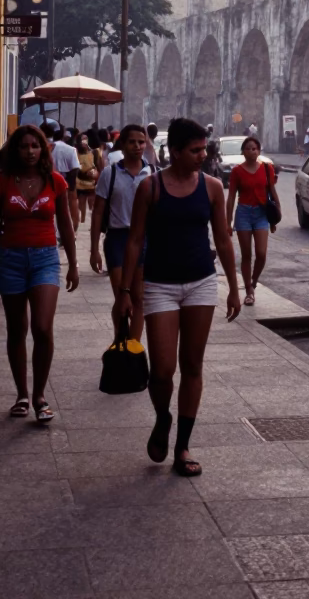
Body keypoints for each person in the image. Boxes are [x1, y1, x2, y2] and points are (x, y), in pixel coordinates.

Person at [114, 117, 241, 477]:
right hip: (159, 286)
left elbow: (223, 240)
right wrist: (125, 291)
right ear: (175, 151)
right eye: (195, 150)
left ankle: (183, 445)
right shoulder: (151, 188)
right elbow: (135, 240)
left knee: (193, 366)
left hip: (201, 282)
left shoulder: (213, 187)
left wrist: (234, 287)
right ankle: (163, 417)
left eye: (204, 149)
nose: (202, 155)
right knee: (163, 369)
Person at [0, 125, 78, 422]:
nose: (31, 151)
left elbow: (67, 225)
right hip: (10, 259)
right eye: (24, 146)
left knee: (43, 328)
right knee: (16, 329)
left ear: (43, 149)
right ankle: (22, 394)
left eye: (36, 146)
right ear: (15, 150)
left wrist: (73, 264)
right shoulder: (1, 183)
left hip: (46, 259)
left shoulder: (55, 181)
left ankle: (40, 395)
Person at [90, 124, 154, 340]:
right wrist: (94, 250)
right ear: (123, 145)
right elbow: (98, 212)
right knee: (121, 295)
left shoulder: (151, 173)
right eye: (132, 142)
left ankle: (134, 347)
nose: (137, 146)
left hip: (144, 238)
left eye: (141, 142)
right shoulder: (110, 173)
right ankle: (120, 340)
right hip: (118, 239)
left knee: (139, 298)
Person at [226, 136, 281, 305]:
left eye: (255, 148)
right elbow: (230, 197)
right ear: (243, 152)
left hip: (261, 214)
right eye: (248, 148)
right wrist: (228, 222)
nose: (252, 151)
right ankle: (249, 290)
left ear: (259, 151)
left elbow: (272, 192)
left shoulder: (267, 169)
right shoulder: (237, 171)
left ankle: (253, 282)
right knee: (246, 255)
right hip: (243, 213)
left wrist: (275, 218)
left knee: (262, 255)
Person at [75, 130, 100, 223]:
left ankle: (91, 224)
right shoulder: (76, 152)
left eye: (85, 139)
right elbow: (75, 168)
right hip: (80, 183)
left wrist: (94, 172)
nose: (84, 142)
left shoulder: (94, 152)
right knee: (81, 205)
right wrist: (83, 172)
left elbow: (98, 166)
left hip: (91, 183)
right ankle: (82, 222)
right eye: (82, 139)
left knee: (91, 206)